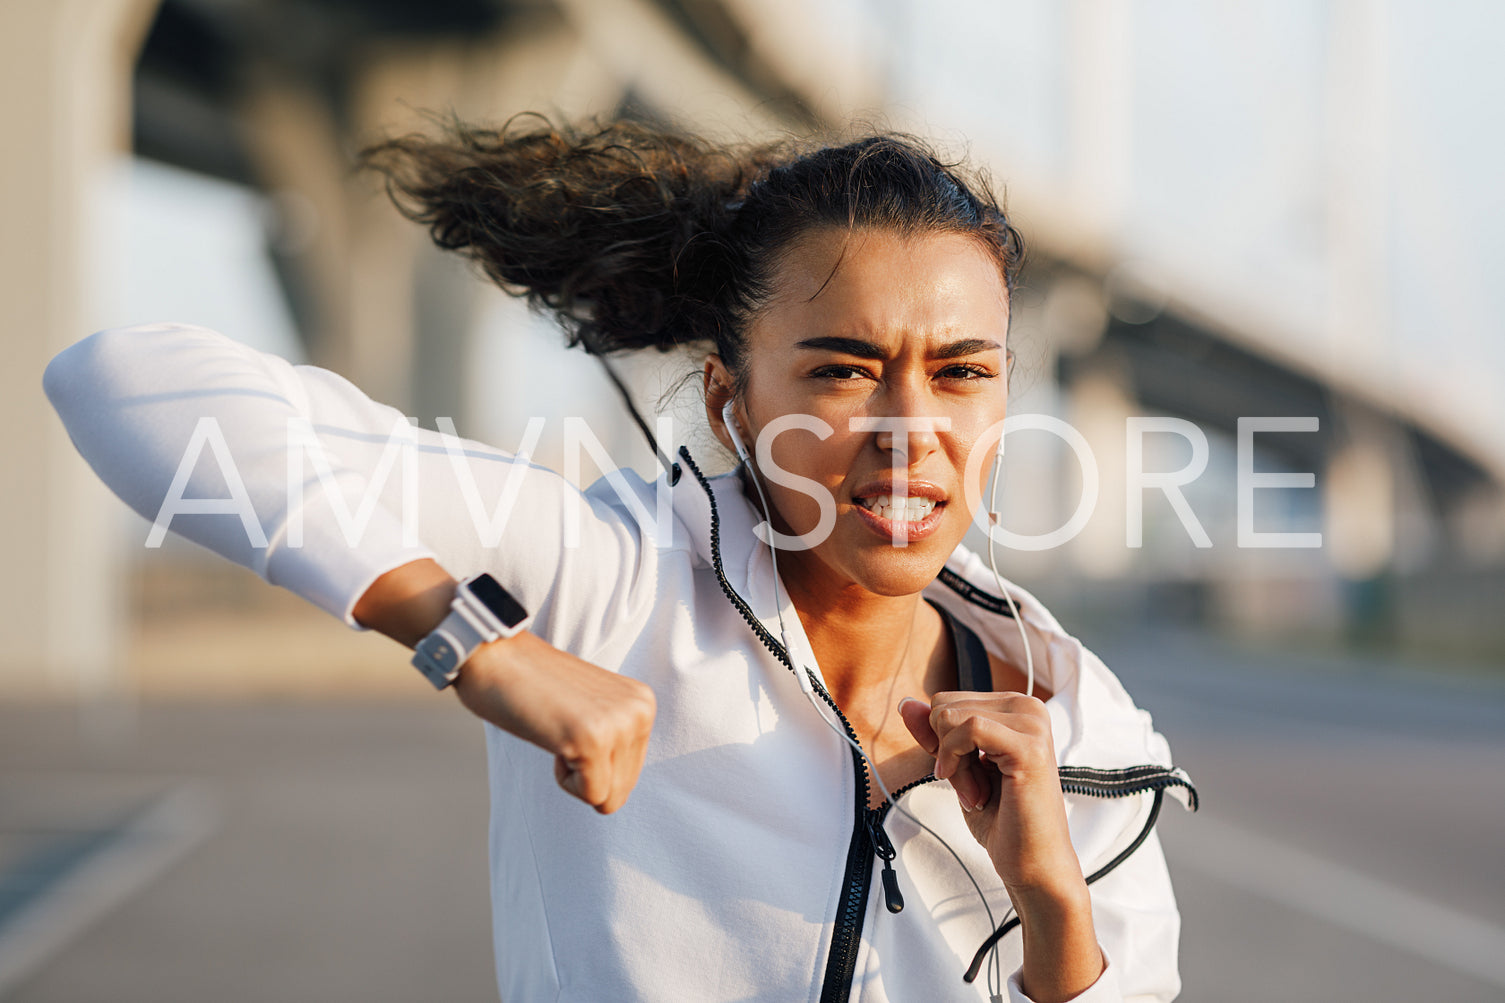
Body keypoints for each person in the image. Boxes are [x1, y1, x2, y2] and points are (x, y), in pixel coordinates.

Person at [44, 117, 1196, 1002]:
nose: (910, 428)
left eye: (960, 372)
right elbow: (124, 382)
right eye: (841, 370)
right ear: (730, 402)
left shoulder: (1078, 726)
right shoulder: (609, 577)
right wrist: (471, 641)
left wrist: (1051, 904)